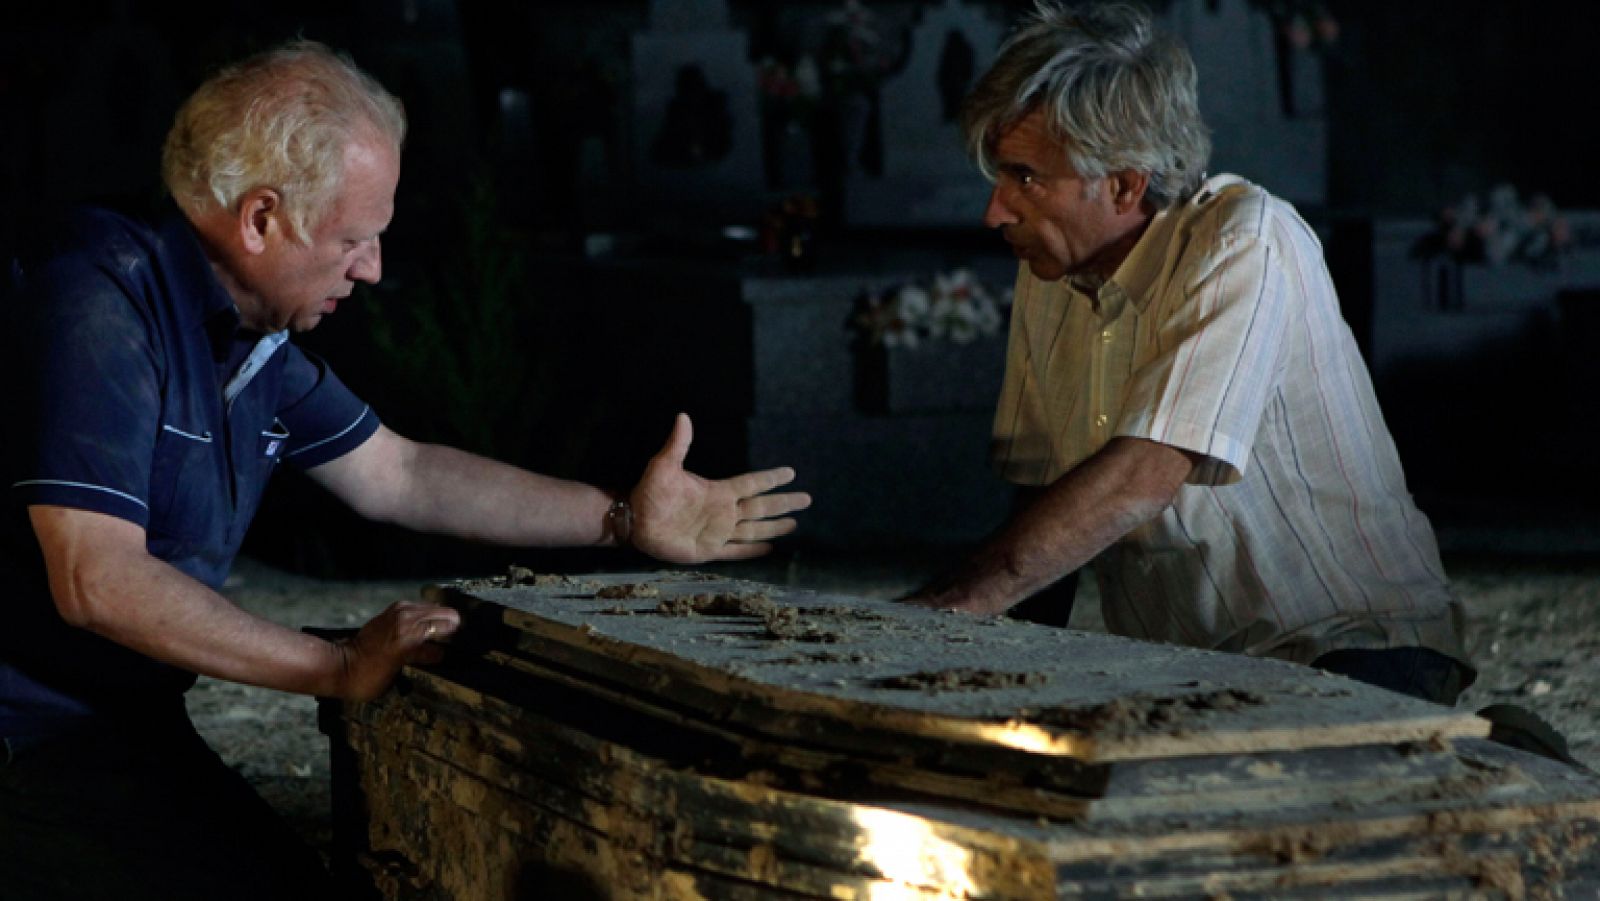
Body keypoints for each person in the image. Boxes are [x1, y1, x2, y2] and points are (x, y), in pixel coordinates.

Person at [0, 40, 809, 900]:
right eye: (356, 237)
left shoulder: (249, 335)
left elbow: (401, 471)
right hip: (25, 733)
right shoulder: (97, 301)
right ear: (261, 219)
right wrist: (337, 668)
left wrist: (622, 519)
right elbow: (96, 577)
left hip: (117, 726)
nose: (374, 269)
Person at [905, 2, 1479, 709]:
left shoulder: (1245, 240)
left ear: (1123, 182)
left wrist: (946, 607)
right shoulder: (1053, 273)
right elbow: (1044, 500)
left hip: (1349, 642)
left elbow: (1145, 474)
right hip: (1187, 672)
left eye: (1026, 178)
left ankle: (1496, 759)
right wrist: (968, 670)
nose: (995, 211)